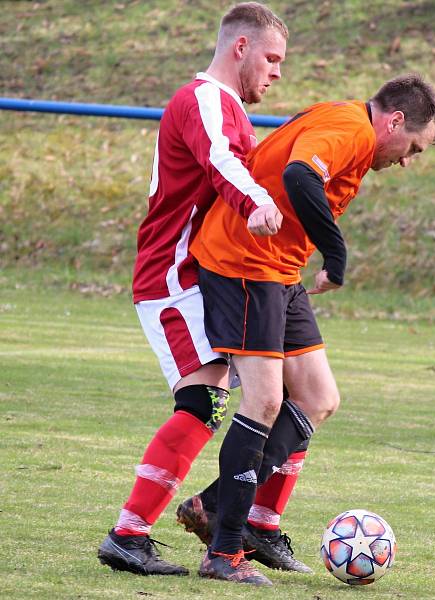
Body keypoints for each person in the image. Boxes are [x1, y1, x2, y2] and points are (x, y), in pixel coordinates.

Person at [179, 73, 435, 585]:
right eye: (413, 146)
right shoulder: (351, 128)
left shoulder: (352, 131)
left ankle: (214, 506)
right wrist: (337, 252)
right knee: (263, 401)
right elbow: (301, 176)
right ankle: (224, 553)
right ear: (393, 121)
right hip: (244, 264)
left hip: (279, 270)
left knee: (319, 397)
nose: (408, 161)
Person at [97, 2, 291, 577]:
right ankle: (130, 534)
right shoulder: (205, 99)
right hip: (172, 274)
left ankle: (184, 524)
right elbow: (220, 162)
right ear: (240, 48)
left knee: (231, 399)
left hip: (202, 274)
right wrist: (256, 202)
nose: (277, 72)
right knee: (204, 403)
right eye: (272, 58)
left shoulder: (228, 107)